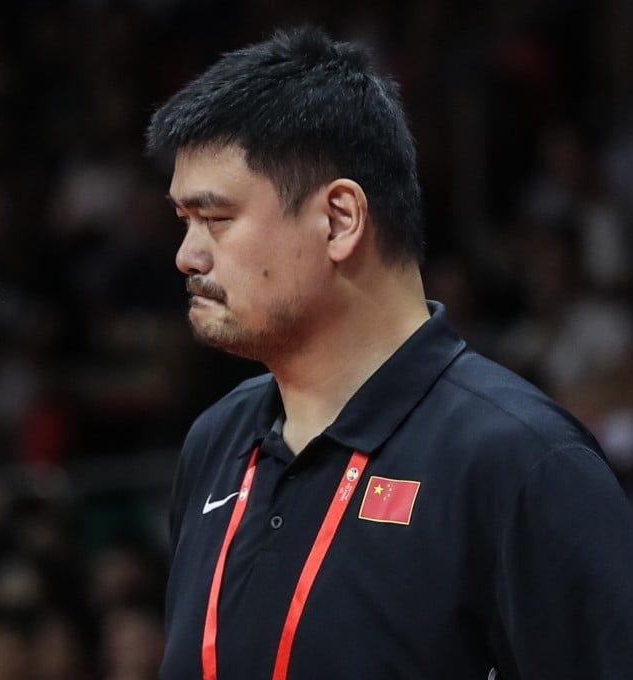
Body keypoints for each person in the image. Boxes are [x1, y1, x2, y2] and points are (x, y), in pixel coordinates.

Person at [144, 25, 633, 680]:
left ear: (340, 218)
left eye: (216, 219)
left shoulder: (523, 462)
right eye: (184, 222)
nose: (187, 255)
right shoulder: (214, 443)